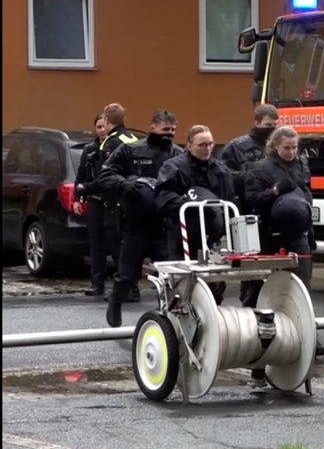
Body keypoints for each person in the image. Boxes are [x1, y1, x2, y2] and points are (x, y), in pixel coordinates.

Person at [242, 126, 324, 359]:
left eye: (295, 147)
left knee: (302, 286)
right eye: (287, 148)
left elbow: (306, 197)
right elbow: (252, 201)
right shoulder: (259, 169)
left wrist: (310, 234)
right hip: (269, 235)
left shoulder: (301, 165)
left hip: (298, 235)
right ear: (275, 146)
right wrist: (274, 191)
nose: (291, 152)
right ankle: (253, 336)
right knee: (261, 287)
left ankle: (308, 336)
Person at [97, 109, 184, 328]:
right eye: (165, 129)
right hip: (136, 222)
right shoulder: (130, 150)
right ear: (152, 127)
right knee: (127, 274)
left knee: (168, 273)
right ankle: (116, 302)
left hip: (164, 224)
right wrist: (126, 185)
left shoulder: (177, 154)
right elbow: (105, 175)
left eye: (173, 130)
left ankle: (167, 315)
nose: (169, 134)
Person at [155, 125, 236, 305]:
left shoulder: (220, 170)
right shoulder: (173, 168)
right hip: (181, 234)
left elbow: (229, 200)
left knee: (214, 284)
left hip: (211, 236)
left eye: (210, 144)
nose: (207, 148)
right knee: (179, 283)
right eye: (202, 145)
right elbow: (163, 198)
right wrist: (190, 206)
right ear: (189, 145)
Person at [77, 104, 140, 299]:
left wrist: (86, 189)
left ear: (107, 120)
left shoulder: (111, 143)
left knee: (115, 246)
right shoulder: (133, 138)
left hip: (112, 201)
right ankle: (127, 287)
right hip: (128, 198)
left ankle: (127, 289)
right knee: (119, 245)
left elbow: (107, 176)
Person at [221, 104, 280, 307]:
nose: (272, 128)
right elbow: (225, 175)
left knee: (269, 259)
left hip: (272, 209)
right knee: (250, 258)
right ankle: (248, 301)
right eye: (267, 125)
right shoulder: (236, 147)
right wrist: (250, 177)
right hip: (247, 209)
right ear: (256, 123)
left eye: (275, 124)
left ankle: (260, 300)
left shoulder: (278, 146)